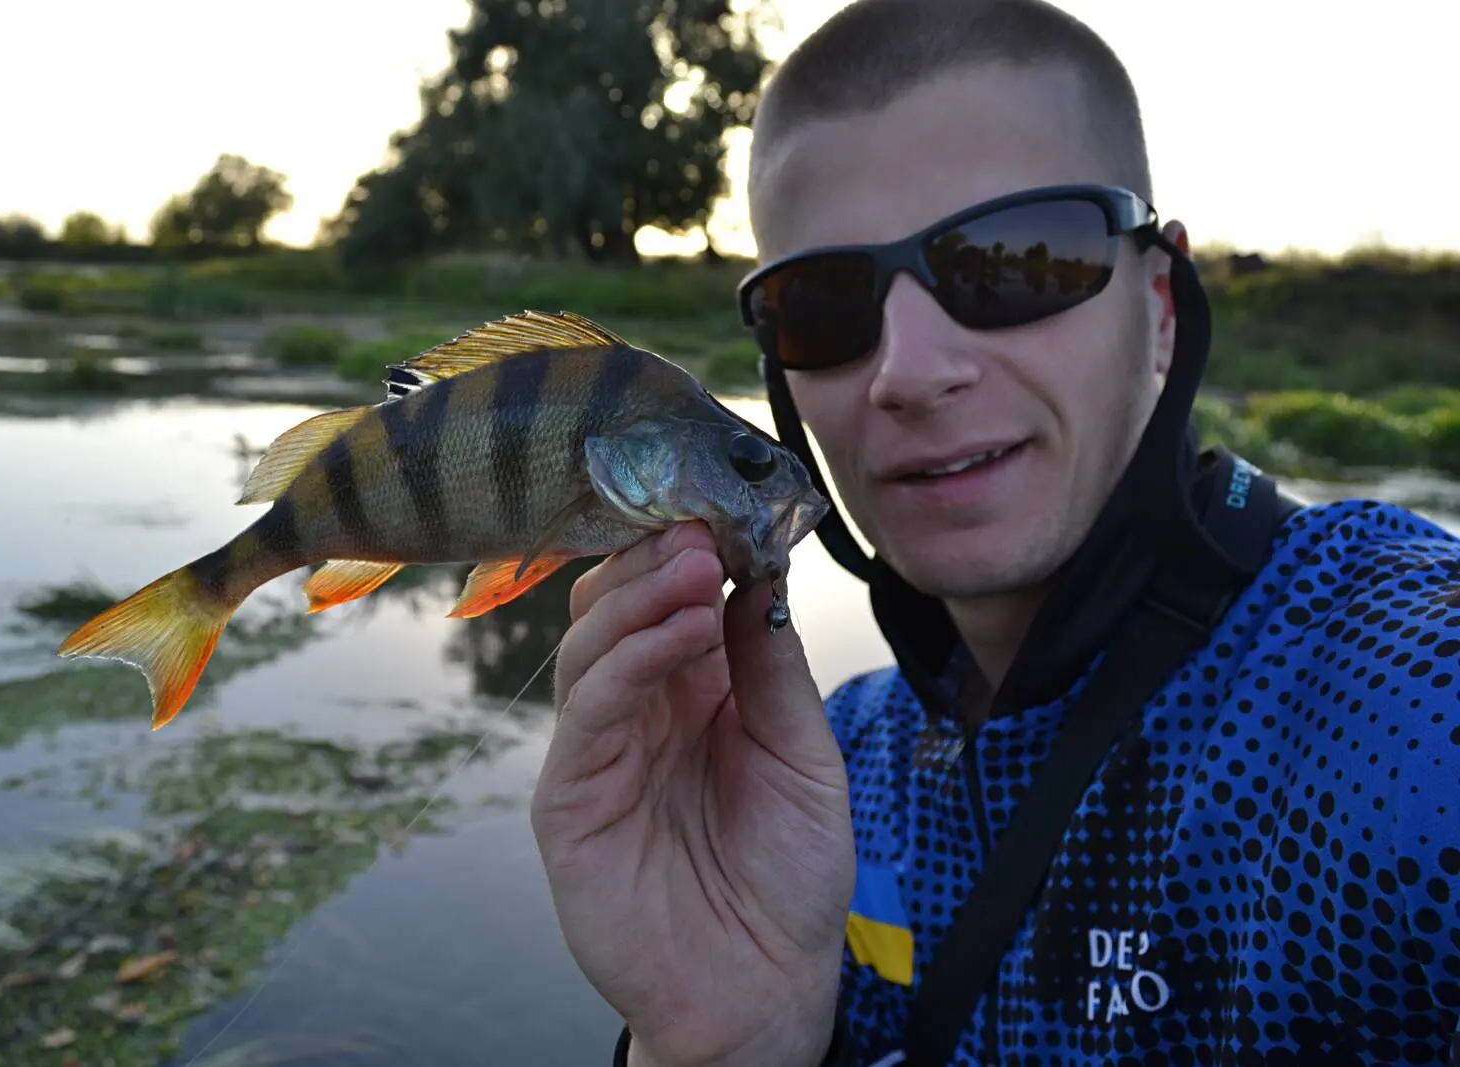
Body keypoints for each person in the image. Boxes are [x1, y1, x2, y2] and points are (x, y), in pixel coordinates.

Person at [529, 0, 1460, 1063]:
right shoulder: (821, 767)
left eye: (1016, 262)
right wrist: (718, 1046)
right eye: (822, 304)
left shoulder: (1406, 696)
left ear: (1161, 305)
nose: (909, 372)